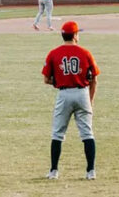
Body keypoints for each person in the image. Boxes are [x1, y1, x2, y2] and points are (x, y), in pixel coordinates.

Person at [41, 21, 99, 181]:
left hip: (64, 94)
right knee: (87, 133)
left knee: (57, 134)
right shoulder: (85, 53)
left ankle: (53, 171)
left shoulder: (53, 53)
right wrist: (90, 101)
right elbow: (94, 79)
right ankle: (91, 171)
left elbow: (46, 79)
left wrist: (58, 80)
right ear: (74, 35)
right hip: (82, 93)